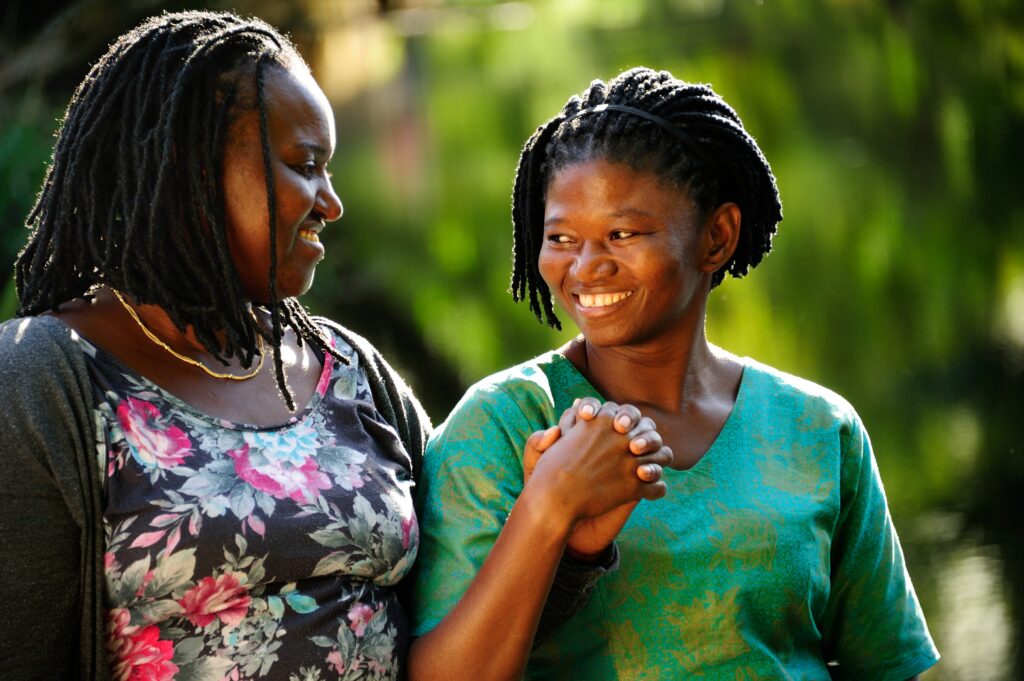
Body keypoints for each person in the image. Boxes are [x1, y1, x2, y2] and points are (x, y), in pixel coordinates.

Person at [0, 12, 670, 680]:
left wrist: (566, 541)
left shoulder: (350, 372)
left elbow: (454, 634)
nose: (331, 201)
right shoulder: (41, 382)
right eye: (305, 166)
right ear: (189, 168)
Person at [412, 67, 941, 680]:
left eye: (622, 233)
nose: (586, 267)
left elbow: (886, 665)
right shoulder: (503, 423)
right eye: (561, 237)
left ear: (716, 237)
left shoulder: (818, 428)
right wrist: (549, 509)